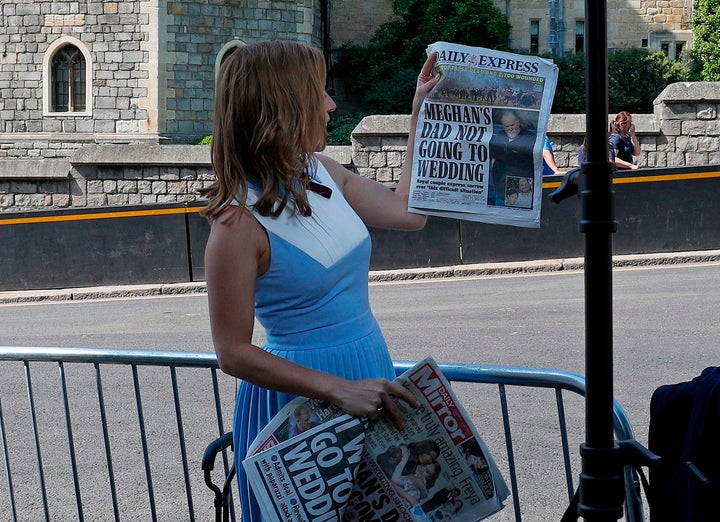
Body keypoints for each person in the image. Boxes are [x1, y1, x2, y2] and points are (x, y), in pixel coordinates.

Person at [201, 40, 440, 521]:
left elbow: (409, 213)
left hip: (367, 372)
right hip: (300, 400)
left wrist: (421, 118)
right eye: (320, 92)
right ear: (285, 105)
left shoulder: (322, 171)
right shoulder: (236, 225)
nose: (331, 105)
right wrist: (336, 389)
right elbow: (232, 352)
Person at [488, 109, 536, 206]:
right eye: (507, 126)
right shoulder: (498, 138)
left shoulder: (529, 137)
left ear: (518, 122)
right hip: (500, 188)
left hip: (521, 187)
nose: (510, 128)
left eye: (512, 125)